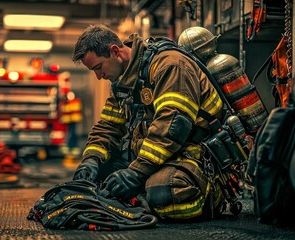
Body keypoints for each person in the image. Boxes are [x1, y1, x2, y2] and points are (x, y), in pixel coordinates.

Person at [71, 24, 225, 221]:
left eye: (99, 68)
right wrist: (91, 160)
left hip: (190, 155)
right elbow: (108, 127)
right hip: (156, 158)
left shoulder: (170, 65)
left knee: (164, 193)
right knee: (93, 180)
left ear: (114, 51)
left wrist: (135, 173)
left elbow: (172, 127)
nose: (99, 76)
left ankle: (214, 194)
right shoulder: (123, 81)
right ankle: (140, 198)